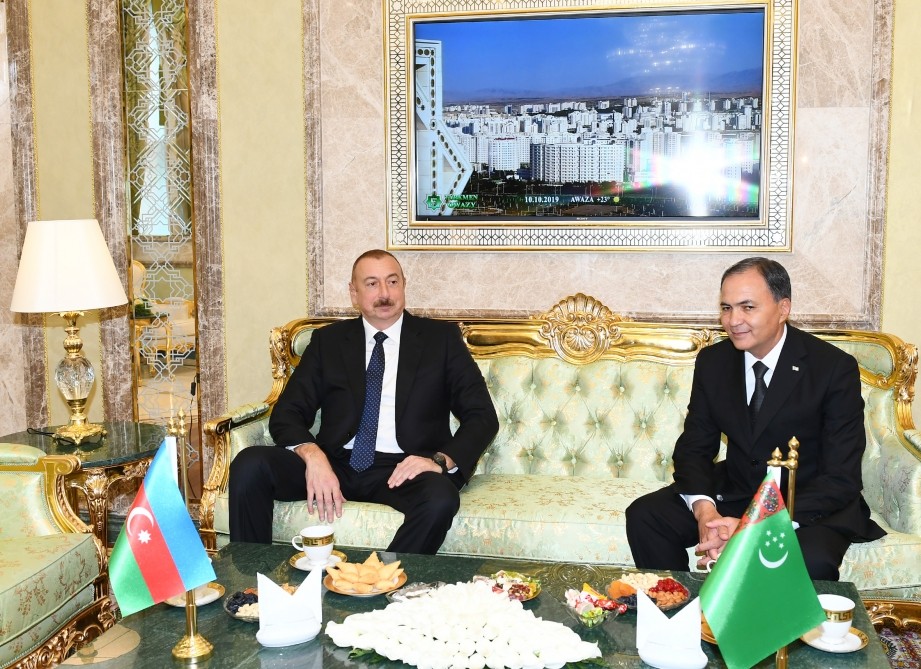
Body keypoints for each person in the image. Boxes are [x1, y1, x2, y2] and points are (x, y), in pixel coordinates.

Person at [625, 257, 884, 580]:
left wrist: (753, 525)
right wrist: (704, 510)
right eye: (726, 308)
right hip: (737, 490)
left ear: (783, 308)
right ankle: (679, 607)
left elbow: (841, 476)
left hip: (806, 502)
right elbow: (694, 447)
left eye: (747, 307)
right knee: (647, 515)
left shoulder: (832, 368)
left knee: (812, 561)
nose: (733, 320)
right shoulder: (714, 362)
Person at [229, 250, 499, 554]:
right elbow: (288, 412)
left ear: (404, 285)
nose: (384, 293)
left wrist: (438, 461)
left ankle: (381, 576)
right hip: (336, 462)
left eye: (392, 282)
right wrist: (313, 456)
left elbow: (482, 416)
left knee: (440, 498)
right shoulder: (328, 342)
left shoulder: (441, 339)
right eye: (371, 284)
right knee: (250, 464)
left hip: (403, 468)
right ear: (353, 293)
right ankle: (251, 575)